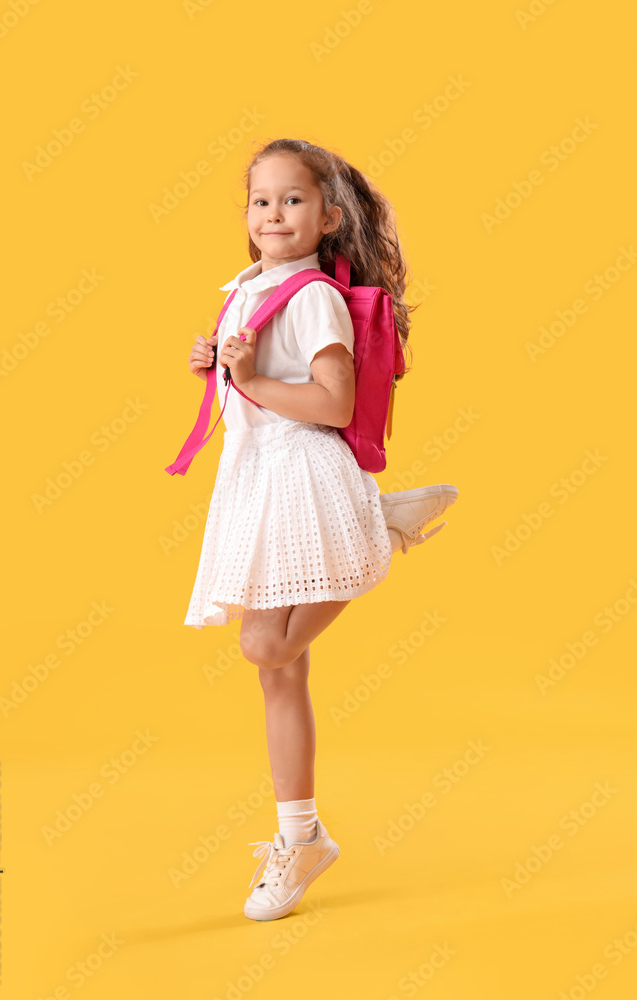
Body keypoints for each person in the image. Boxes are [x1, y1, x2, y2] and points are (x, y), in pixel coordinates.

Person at [182, 138, 458, 921]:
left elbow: (331, 407)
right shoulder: (246, 286)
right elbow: (257, 386)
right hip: (257, 482)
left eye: (293, 200)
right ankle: (299, 838)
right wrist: (220, 365)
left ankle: (373, 522)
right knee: (280, 671)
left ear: (327, 216)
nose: (274, 213)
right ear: (246, 215)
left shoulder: (310, 295)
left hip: (303, 482)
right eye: (261, 200)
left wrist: (251, 377)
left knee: (264, 645)